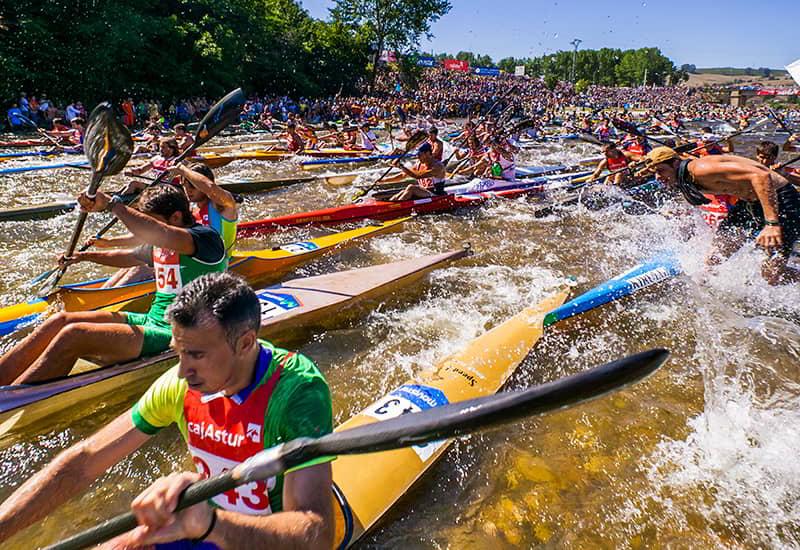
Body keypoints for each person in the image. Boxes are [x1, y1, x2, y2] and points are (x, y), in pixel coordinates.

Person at [0, 273, 334, 549]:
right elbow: (85, 461)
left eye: (197, 355)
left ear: (245, 343)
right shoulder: (181, 385)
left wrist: (213, 524)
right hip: (203, 523)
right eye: (179, 353)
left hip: (257, 534)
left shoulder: (297, 393)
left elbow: (316, 533)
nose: (182, 371)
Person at [0, 184, 226, 385]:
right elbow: (127, 257)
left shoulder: (205, 238)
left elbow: (161, 232)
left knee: (74, 334)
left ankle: (10, 403)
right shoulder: (162, 242)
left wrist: (111, 204)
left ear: (176, 217)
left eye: (150, 221)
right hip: (152, 320)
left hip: (181, 332)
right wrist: (83, 257)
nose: (145, 233)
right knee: (59, 320)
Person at [645, 146, 800, 285]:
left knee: (772, 274)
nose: (657, 177)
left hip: (781, 201)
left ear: (675, 163)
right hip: (749, 203)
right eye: (654, 172)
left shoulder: (701, 169)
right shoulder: (683, 176)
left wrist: (771, 224)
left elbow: (761, 176)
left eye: (661, 170)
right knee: (714, 258)